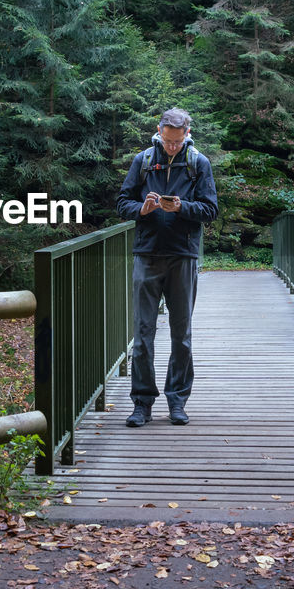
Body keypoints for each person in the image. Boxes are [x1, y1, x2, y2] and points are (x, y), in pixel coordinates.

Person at [115, 108, 218, 427]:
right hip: (147, 254)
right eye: (168, 140)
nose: (172, 146)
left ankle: (177, 401)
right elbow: (122, 203)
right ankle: (142, 404)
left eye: (178, 141)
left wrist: (182, 207)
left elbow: (210, 209)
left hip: (183, 256)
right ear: (159, 131)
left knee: (181, 334)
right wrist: (142, 209)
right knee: (142, 333)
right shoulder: (143, 161)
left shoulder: (198, 163)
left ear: (187, 134)